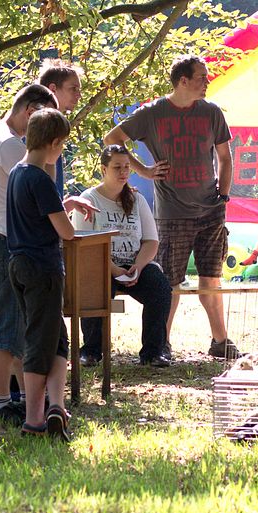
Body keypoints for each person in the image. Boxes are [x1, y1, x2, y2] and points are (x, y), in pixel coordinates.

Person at [103, 55, 239, 361]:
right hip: (172, 212)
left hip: (211, 209)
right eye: (202, 77)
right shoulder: (153, 113)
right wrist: (144, 170)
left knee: (212, 278)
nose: (207, 81)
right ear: (183, 81)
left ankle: (220, 341)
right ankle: (161, 345)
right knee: (170, 281)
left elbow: (225, 157)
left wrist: (224, 196)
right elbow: (112, 139)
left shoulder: (211, 112)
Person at [7, 108, 96, 440]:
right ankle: (34, 420)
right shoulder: (40, 178)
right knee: (38, 343)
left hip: (19, 263)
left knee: (57, 339)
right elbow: (66, 232)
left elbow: (36, 212)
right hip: (42, 269)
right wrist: (68, 217)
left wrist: (64, 203)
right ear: (55, 143)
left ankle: (56, 406)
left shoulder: (18, 172)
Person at [74, 145, 172, 369]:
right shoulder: (88, 199)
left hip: (134, 265)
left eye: (127, 167)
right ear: (103, 169)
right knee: (93, 287)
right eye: (117, 167)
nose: (123, 172)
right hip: (100, 266)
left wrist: (138, 266)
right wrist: (114, 270)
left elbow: (150, 240)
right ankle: (91, 350)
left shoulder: (137, 200)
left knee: (160, 288)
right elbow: (85, 246)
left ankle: (154, 351)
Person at [0, 84, 58, 428]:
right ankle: (1, 401)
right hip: (7, 238)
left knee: (17, 320)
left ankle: (17, 396)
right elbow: (35, 186)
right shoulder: (8, 145)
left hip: (6, 237)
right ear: (31, 113)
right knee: (7, 322)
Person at [37, 60, 83, 196]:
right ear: (53, 89)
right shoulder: (38, 125)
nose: (79, 95)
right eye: (73, 88)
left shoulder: (54, 125)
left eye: (79, 90)